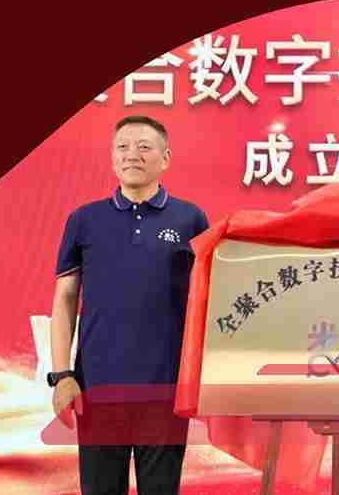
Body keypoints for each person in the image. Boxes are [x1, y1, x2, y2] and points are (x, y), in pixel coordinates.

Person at [47, 115, 209, 495]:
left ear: (165, 158)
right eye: (122, 147)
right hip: (97, 388)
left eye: (144, 147)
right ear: (112, 157)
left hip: (166, 389)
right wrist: (62, 375)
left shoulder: (190, 219)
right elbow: (65, 297)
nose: (131, 154)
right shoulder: (84, 220)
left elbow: (207, 299)